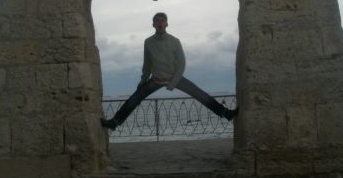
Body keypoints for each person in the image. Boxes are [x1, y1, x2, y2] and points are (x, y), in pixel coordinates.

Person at [101, 12, 239, 130]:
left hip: (175, 77)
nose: (160, 23)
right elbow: (147, 64)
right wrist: (143, 81)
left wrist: (173, 82)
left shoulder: (175, 41)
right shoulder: (148, 42)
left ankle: (226, 113)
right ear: (153, 24)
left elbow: (182, 63)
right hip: (156, 79)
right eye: (157, 21)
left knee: (200, 94)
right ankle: (114, 122)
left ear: (167, 24)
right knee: (134, 98)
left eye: (163, 21)